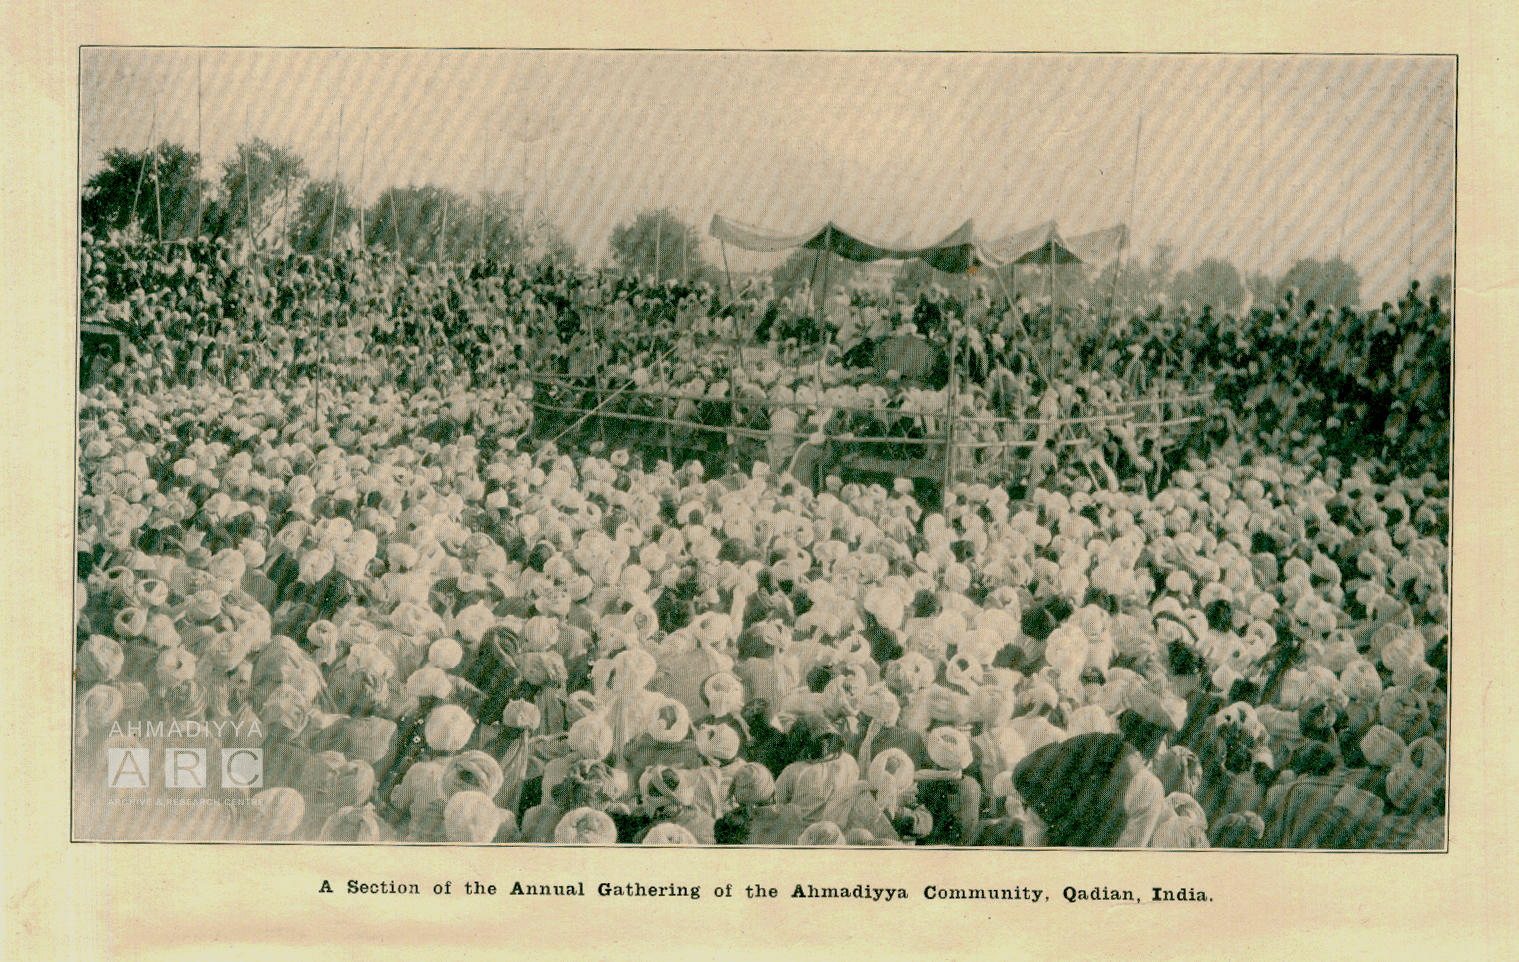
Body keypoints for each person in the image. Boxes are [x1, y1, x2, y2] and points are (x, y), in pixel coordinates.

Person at [1011, 682, 1179, 847]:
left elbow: (1026, 777)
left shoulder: (1085, 743)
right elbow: (1129, 851)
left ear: (1122, 721)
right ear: (1156, 742)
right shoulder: (1148, 787)